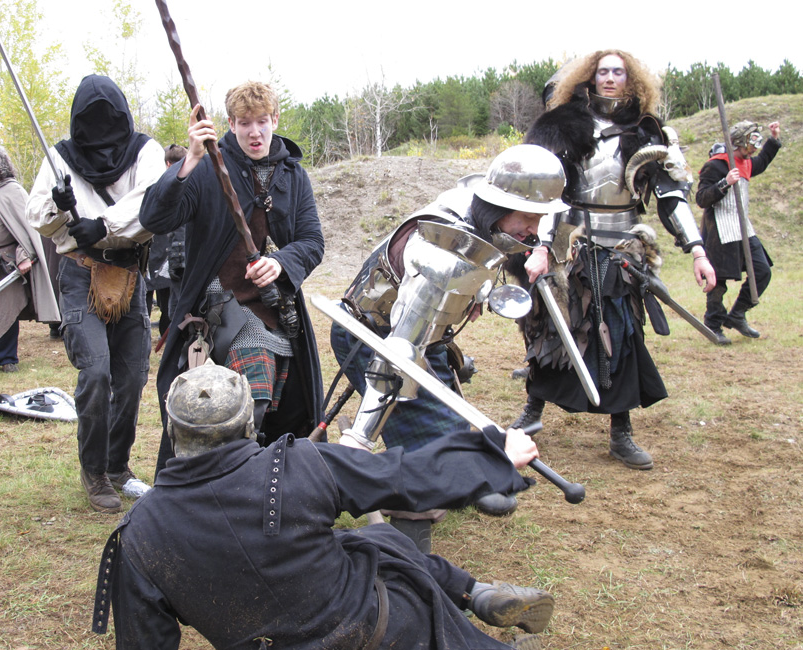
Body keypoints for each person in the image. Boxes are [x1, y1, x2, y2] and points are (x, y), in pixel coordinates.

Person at [93, 364, 552, 650]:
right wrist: (494, 456)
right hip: (382, 633)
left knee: (373, 540)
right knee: (387, 558)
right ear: (248, 423)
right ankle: (477, 597)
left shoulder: (136, 537)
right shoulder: (299, 464)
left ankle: (479, 593)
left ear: (173, 431)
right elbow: (406, 477)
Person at [331, 144, 569, 549]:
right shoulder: (443, 252)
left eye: (539, 218)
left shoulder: (479, 214)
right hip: (372, 338)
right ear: (497, 205)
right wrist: (360, 440)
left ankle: (459, 474)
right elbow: (399, 353)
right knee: (426, 451)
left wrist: (474, 295)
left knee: (453, 437)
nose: (533, 229)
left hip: (428, 338)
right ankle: (411, 530)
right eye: (527, 217)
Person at [512, 50, 716, 470]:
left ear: (631, 79)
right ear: (590, 76)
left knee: (621, 335)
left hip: (624, 247)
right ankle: (531, 416)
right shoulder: (565, 125)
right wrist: (541, 247)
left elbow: (671, 197)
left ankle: (620, 433)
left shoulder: (646, 131)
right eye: (602, 71)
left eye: (617, 72)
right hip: (573, 243)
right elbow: (549, 193)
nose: (609, 78)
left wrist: (697, 249)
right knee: (557, 330)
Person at [140, 81, 324, 473]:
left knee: (288, 408)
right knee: (243, 404)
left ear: (275, 119)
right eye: (244, 124)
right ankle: (228, 481)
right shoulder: (208, 168)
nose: (254, 132)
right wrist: (188, 161)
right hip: (221, 306)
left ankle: (270, 482)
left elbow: (312, 241)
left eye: (262, 122)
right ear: (230, 123)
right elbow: (154, 218)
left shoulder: (293, 176)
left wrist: (282, 263)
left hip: (279, 304)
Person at [26, 74, 165, 513]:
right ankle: (94, 471)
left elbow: (152, 203)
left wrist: (102, 225)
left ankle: (118, 464)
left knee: (130, 378)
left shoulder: (146, 151)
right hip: (80, 274)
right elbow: (37, 215)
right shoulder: (60, 157)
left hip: (128, 275)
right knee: (98, 372)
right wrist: (58, 200)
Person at [0, 145, 59, 374]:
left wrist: (24, 255)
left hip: (6, 262)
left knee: (6, 309)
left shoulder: (13, 191)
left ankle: (7, 358)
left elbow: (28, 231)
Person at [696, 120, 781, 343]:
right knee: (719, 281)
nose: (754, 148)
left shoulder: (746, 163)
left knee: (762, 271)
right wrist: (724, 183)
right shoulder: (714, 166)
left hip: (743, 228)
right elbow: (702, 199)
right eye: (751, 141)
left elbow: (761, 162)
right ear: (739, 141)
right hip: (720, 229)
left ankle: (737, 314)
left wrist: (774, 139)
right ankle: (713, 325)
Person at [144, 144, 188, 335]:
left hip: (171, 257)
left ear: (167, 163)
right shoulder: (161, 187)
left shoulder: (159, 187)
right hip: (162, 255)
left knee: (169, 308)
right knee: (167, 307)